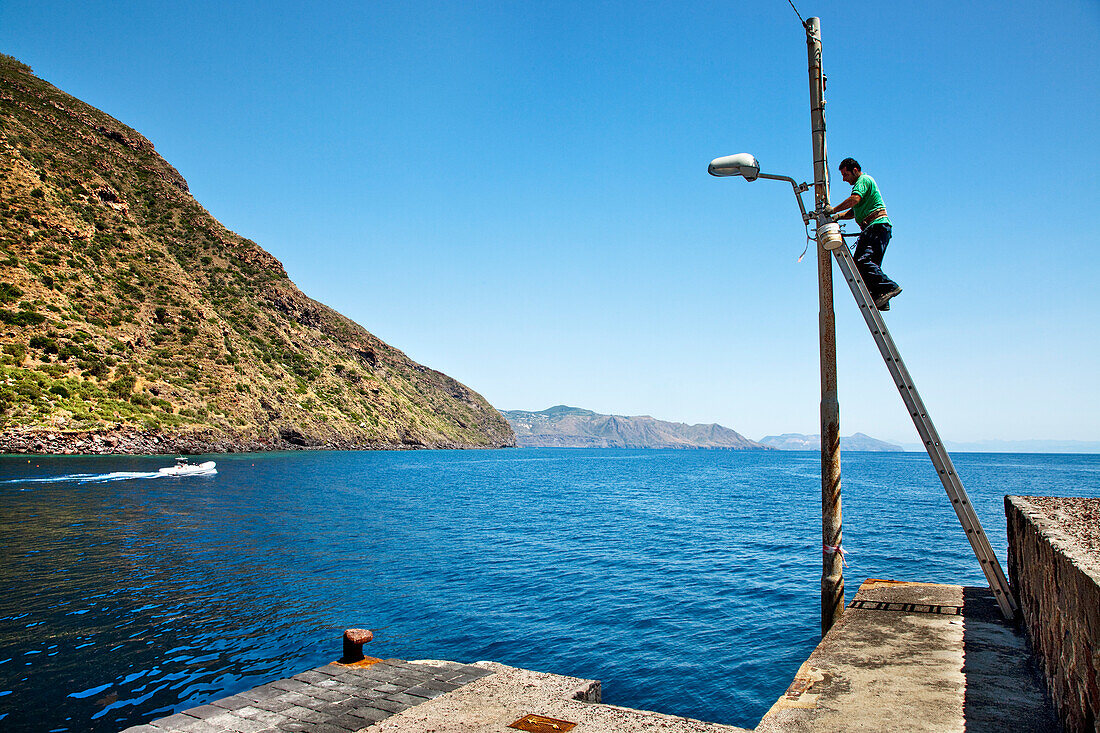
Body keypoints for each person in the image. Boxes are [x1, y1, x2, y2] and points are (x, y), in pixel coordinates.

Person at [825, 158, 902, 311]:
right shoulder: (864, 184)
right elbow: (854, 211)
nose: (844, 179)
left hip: (876, 227)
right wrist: (839, 216)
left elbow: (854, 199)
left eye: (845, 174)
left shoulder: (863, 180)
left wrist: (833, 210)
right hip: (877, 228)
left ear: (855, 170)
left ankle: (889, 287)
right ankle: (881, 298)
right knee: (868, 265)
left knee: (861, 261)